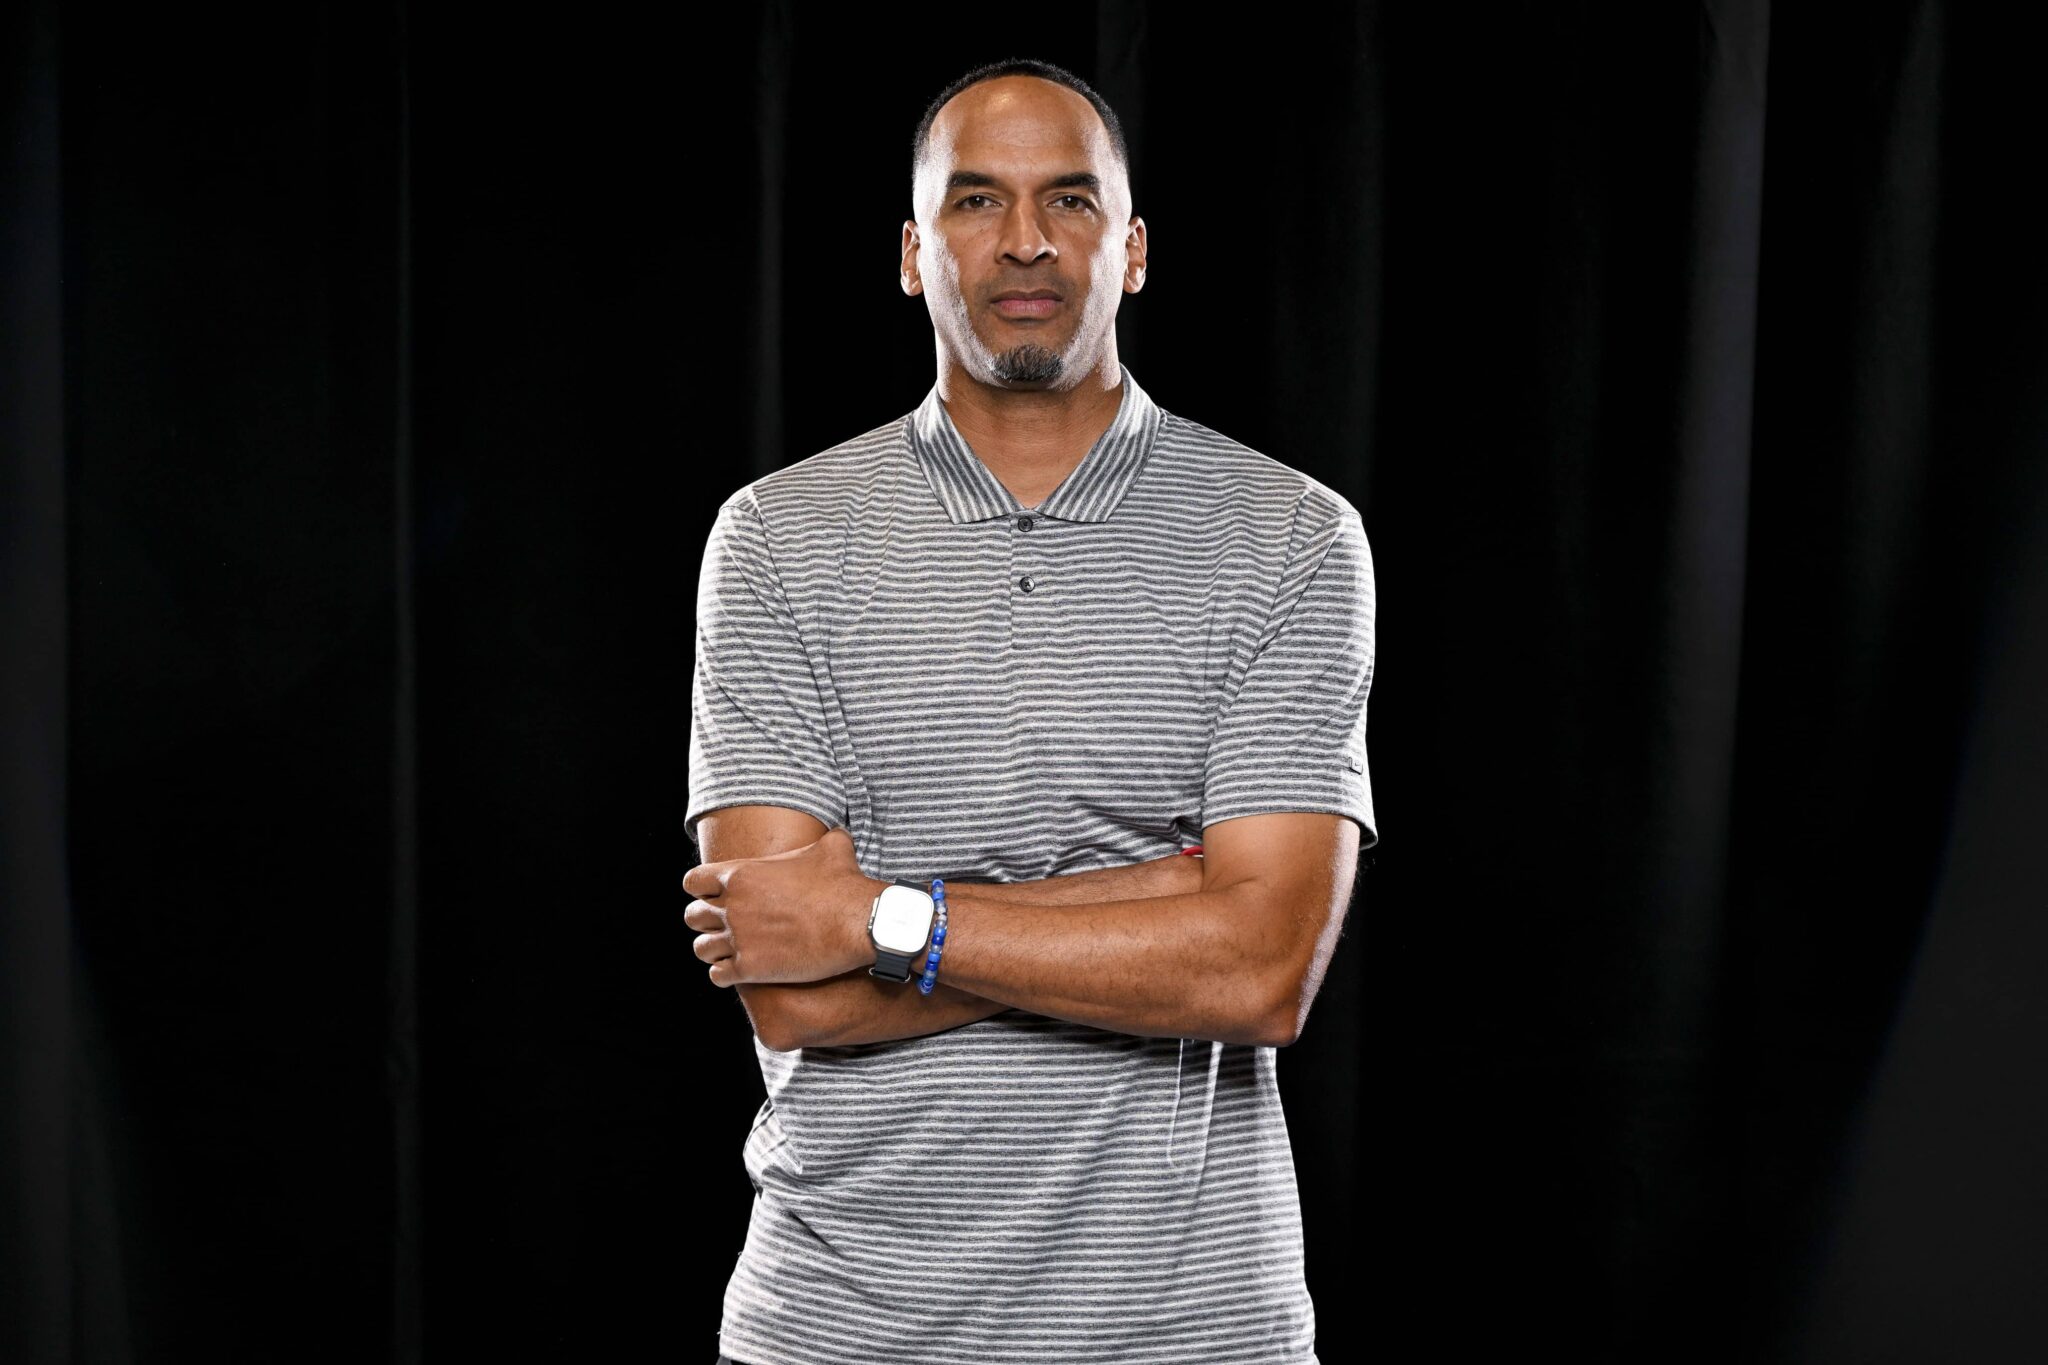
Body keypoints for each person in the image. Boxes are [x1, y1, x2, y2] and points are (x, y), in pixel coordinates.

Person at [682, 57, 1377, 1365]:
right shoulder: (776, 539)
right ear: (910, 253)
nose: (1022, 240)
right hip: (843, 1327)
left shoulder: (1290, 538)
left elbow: (1263, 971)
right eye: (974, 201)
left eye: (1069, 200)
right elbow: (791, 988)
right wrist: (1162, 902)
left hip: (1189, 1329)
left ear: (1134, 250)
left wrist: (881, 916)